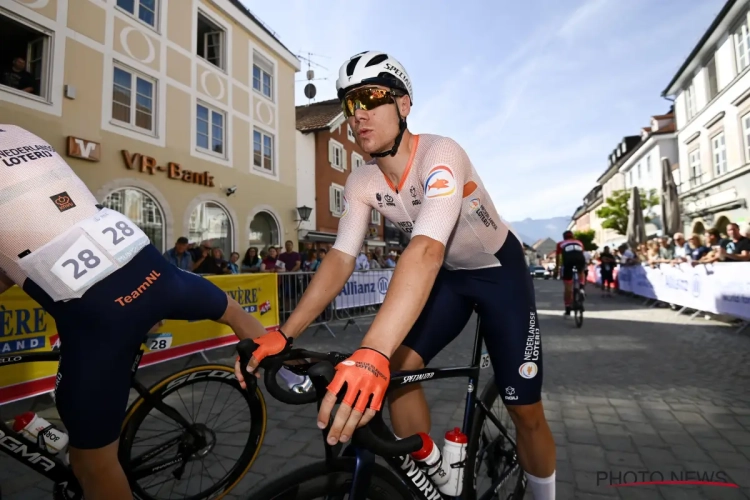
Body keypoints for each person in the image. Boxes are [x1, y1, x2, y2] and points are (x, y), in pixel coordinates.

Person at [235, 51, 556, 499]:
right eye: (349, 104)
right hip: (450, 278)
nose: (358, 113)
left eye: (370, 97)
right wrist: (285, 333)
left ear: (404, 105)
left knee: (525, 410)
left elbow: (424, 249)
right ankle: (432, 481)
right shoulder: (362, 181)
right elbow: (341, 258)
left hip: (498, 272)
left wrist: (370, 353)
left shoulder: (440, 154)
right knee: (401, 375)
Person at [0, 125, 268, 500]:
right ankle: (280, 369)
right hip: (159, 277)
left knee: (92, 464)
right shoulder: (16, 131)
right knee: (235, 312)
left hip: (102, 319)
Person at [554, 230, 587, 315]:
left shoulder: (560, 243)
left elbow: (558, 257)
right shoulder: (579, 242)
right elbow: (581, 254)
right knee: (581, 270)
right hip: (580, 259)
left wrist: (557, 269)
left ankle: (568, 308)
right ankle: (582, 287)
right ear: (573, 236)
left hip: (568, 261)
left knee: (568, 286)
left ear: (564, 237)